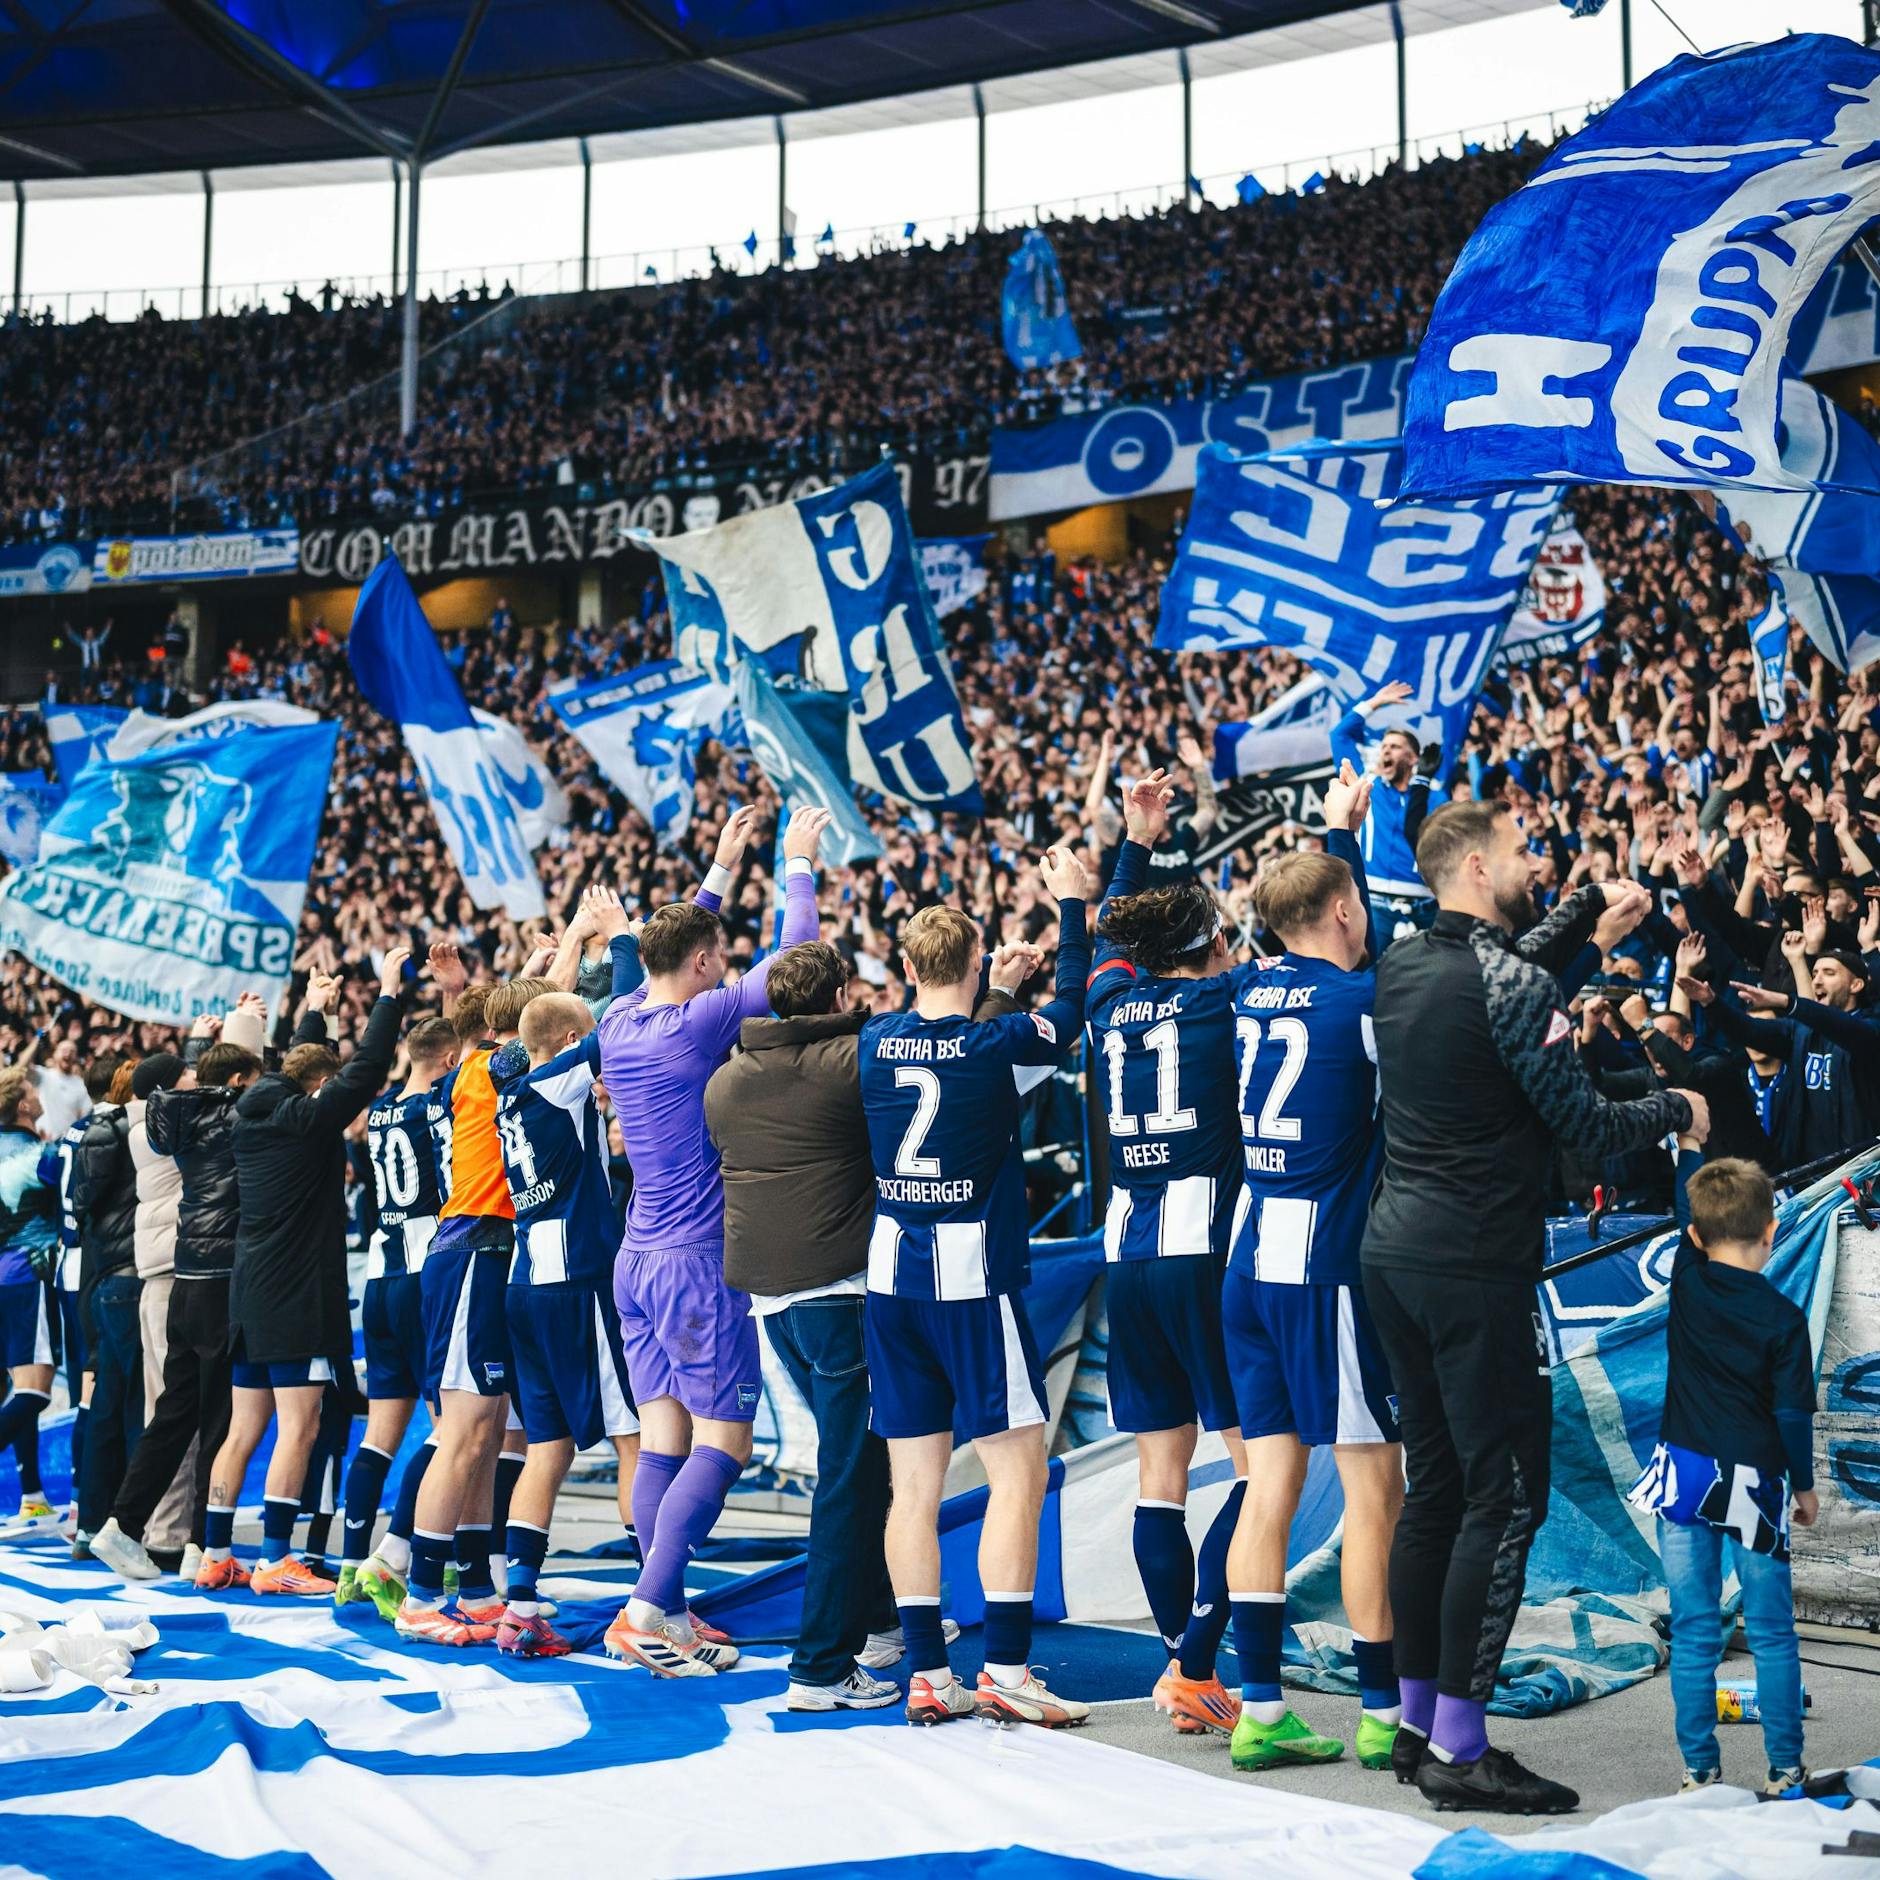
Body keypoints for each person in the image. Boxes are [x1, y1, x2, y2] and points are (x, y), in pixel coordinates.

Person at [1361, 799, 1709, 1815]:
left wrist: (1581, 917)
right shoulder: (1509, 981)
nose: (1533, 861)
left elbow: (1498, 978)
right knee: (1502, 1498)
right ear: (1475, 864)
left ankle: (1415, 1723)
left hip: (1393, 1254)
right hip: (1473, 1264)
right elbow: (1585, 1124)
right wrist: (1675, 1110)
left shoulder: (1398, 964)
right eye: (1519, 852)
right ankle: (1463, 1748)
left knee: (1432, 1492)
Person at [706, 937, 1021, 1711]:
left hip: (769, 1300)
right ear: (842, 995)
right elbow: (948, 1056)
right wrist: (998, 995)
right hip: (845, 1290)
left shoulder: (725, 1079)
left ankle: (883, 1620)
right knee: (853, 1480)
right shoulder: (854, 1060)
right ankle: (819, 1665)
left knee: (875, 1467)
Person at [858, 848, 1093, 1730]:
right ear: (977, 957)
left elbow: (945, 1042)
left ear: (910, 968)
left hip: (892, 1275)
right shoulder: (995, 1045)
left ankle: (925, 1673)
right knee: (1016, 1471)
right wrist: (1071, 909)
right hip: (971, 1276)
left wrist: (988, 989)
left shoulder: (876, 1042)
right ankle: (1005, 1667)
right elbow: (1067, 1011)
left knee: (911, 1486)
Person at [599, 805, 828, 1676]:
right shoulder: (698, 1022)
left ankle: (669, 1612)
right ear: (700, 966)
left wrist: (725, 869)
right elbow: (797, 961)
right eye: (716, 960)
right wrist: (795, 865)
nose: (723, 968)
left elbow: (673, 945)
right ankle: (647, 1606)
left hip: (637, 1258)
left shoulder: (619, 1017)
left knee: (664, 1440)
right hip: (697, 1260)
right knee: (724, 1444)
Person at [1221, 763, 1407, 1776]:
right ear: (1343, 909)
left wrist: (1332, 836)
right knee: (1375, 1488)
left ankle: (1259, 1708)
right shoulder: (1363, 1003)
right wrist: (1348, 840)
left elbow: (1309, 921)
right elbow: (1365, 965)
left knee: (1268, 1486)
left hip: (1246, 1258)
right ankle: (1382, 1708)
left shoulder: (1250, 983)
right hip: (1320, 1267)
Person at [1083, 769, 1247, 1739]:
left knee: (1160, 1473)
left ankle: (1186, 1664)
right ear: (1204, 952)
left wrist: (1134, 840)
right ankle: (1192, 1661)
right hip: (1202, 1248)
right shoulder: (1221, 1000)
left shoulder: (1109, 1006)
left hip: (1124, 1249)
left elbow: (1108, 940)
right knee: (1257, 1465)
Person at [213, 951, 405, 1595]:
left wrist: (315, 1011)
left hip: (248, 1290)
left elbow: (302, 1063)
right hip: (297, 1296)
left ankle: (215, 1553)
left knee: (244, 1429)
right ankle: (274, 1561)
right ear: (320, 1092)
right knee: (301, 1426)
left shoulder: (251, 1109)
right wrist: (387, 995)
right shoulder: (307, 1118)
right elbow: (369, 1070)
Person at [1626, 1154, 1814, 1797]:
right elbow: (1790, 1415)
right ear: (1771, 1232)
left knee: (1695, 1626)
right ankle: (1786, 1770)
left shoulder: (1687, 1283)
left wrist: (1689, 1142)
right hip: (1755, 1483)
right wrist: (1806, 1485)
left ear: (1696, 1239)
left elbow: (1688, 1212)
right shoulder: (1786, 1321)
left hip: (1682, 1474)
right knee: (1770, 1630)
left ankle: (1700, 1770)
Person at [492, 905, 645, 1657]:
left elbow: (525, 1023)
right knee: (634, 1436)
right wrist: (616, 941)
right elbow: (623, 1018)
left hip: (525, 1275)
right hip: (576, 1277)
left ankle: (518, 1604)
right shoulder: (556, 1079)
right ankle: (657, 1607)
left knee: (546, 1445)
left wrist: (558, 954)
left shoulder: (505, 1085)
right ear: (567, 1045)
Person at [399, 960, 552, 1645]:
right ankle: (419, 1593)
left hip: (489, 1252)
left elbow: (535, 1023)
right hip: (468, 1251)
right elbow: (547, 1028)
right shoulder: (483, 1068)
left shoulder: (486, 1068)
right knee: (462, 1431)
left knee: (488, 1433)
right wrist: (576, 948)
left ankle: (476, 1583)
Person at [92, 1026, 264, 1583]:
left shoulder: (162, 1122)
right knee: (215, 1417)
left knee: (170, 1413)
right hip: (203, 1276)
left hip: (180, 1274)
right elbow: (239, 1089)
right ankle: (198, 1542)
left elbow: (205, 1082)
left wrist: (199, 1046)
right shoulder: (204, 1120)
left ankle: (122, 1524)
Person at [336, 1012, 460, 1618]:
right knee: (451, 1425)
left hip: (379, 1276)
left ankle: (351, 1564)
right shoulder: (435, 1102)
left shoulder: (382, 1106)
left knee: (379, 1435)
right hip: (423, 1275)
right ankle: (397, 1552)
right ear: (444, 1061)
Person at [125, 1050, 198, 1570]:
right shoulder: (166, 1129)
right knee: (178, 1413)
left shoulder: (141, 1125)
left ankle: (163, 1529)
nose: (199, 1079)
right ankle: (171, 1534)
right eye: (189, 1074)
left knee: (163, 1408)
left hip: (158, 1280)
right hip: (176, 1278)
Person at [71, 1058, 142, 1550]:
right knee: (131, 1403)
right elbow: (85, 1202)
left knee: (105, 1403)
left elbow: (83, 1203)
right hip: (124, 1279)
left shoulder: (96, 1132)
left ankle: (93, 1521)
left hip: (102, 1281)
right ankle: (130, 1525)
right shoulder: (123, 1133)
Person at [0, 1067, 57, 1529]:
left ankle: (33, 1495)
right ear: (22, 1104)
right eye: (32, 1089)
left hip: (5, 1277)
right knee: (36, 1389)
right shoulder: (39, 1156)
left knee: (17, 1386)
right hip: (27, 1276)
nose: (39, 1094)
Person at [1330, 681, 1434, 904]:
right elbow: (1339, 735)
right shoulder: (1367, 785)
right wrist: (1375, 702)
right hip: (1373, 897)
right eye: (1384, 746)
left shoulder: (1430, 795)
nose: (1386, 750)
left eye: (1395, 747)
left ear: (1413, 758)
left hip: (1422, 900)